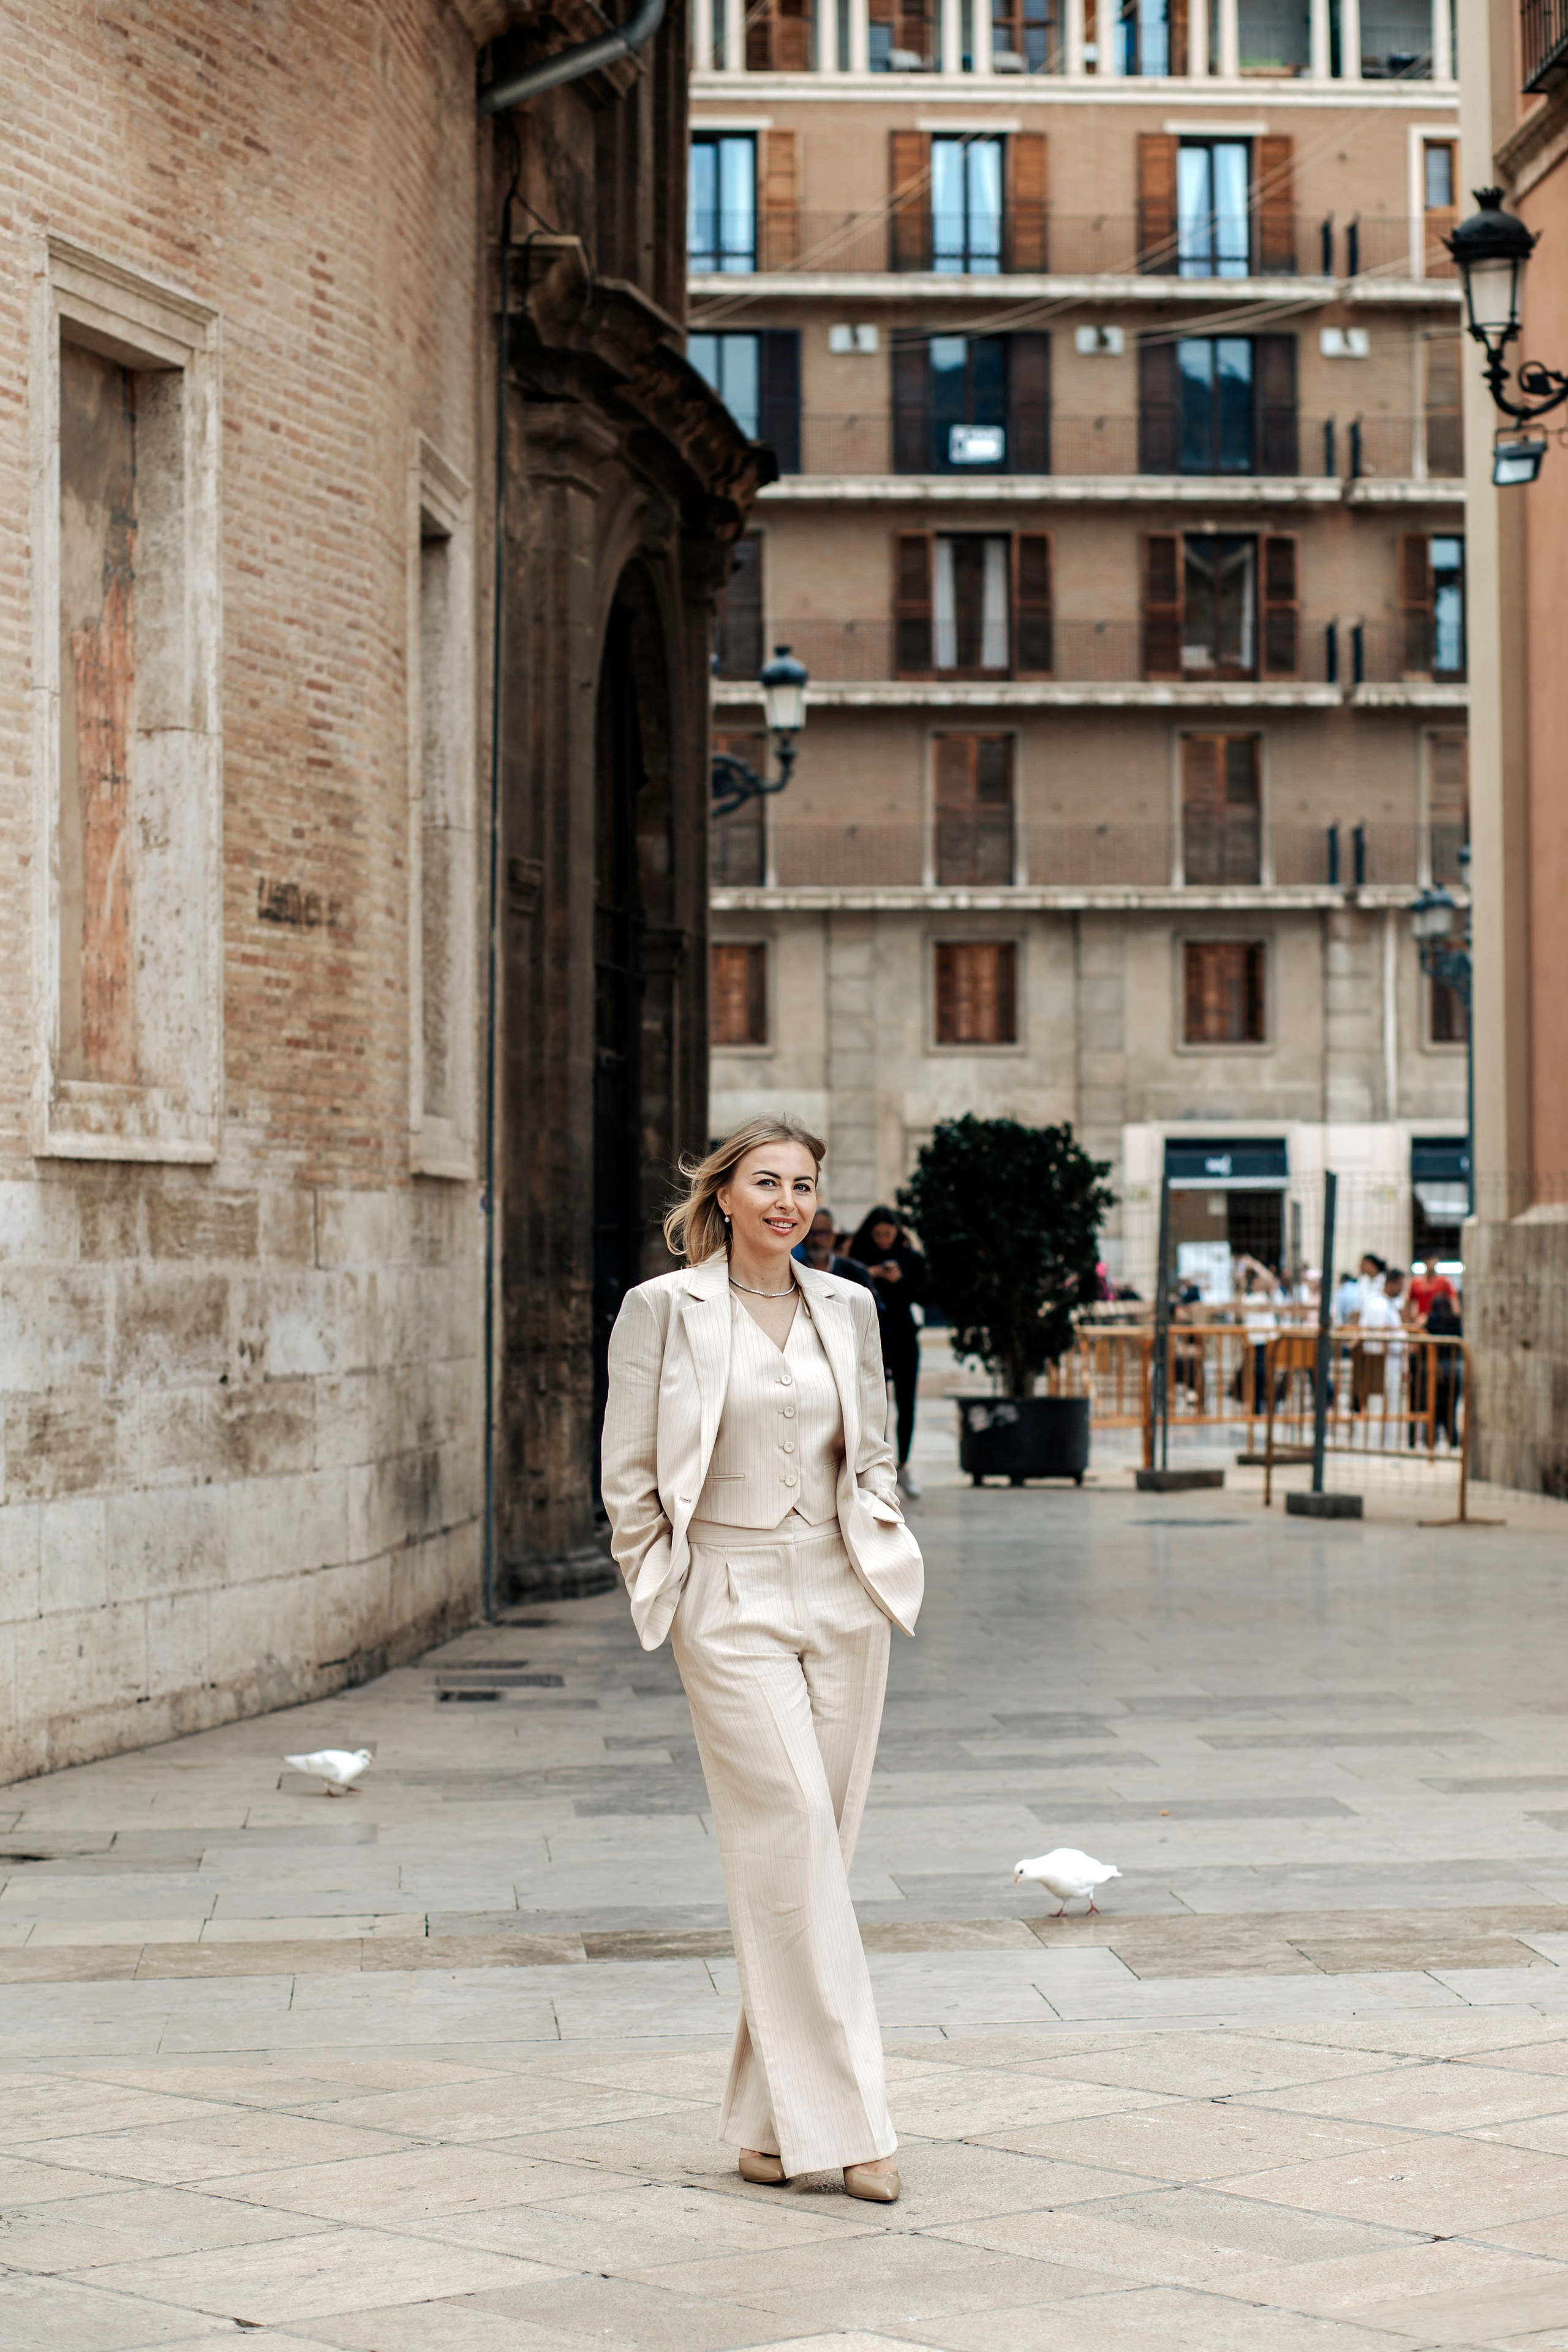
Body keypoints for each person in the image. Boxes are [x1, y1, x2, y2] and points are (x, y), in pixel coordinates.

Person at [600, 1115, 923, 2204]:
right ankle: (855, 2128)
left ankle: (766, 2123)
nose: (789, 1202)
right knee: (789, 1830)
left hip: (843, 1590)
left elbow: (873, 1449)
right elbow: (628, 1474)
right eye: (767, 1182)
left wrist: (879, 1532)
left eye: (805, 1185)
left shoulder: (849, 1306)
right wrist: (667, 1582)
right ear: (725, 1195)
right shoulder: (662, 1309)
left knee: (813, 1856)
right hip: (727, 1595)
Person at [847, 1206, 927, 1502]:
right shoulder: (856, 1259)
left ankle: (903, 1465)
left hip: (904, 1336)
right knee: (873, 1403)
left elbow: (924, 1294)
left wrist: (899, 1280)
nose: (883, 1240)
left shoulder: (911, 1258)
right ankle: (877, 1467)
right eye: (878, 1234)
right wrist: (869, 1274)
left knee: (906, 1402)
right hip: (872, 1336)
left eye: (888, 1234)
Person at [795, 1207, 875, 1295]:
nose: (817, 1239)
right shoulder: (793, 1273)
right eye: (812, 1233)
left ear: (833, 1236)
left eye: (822, 1233)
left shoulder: (855, 1273)